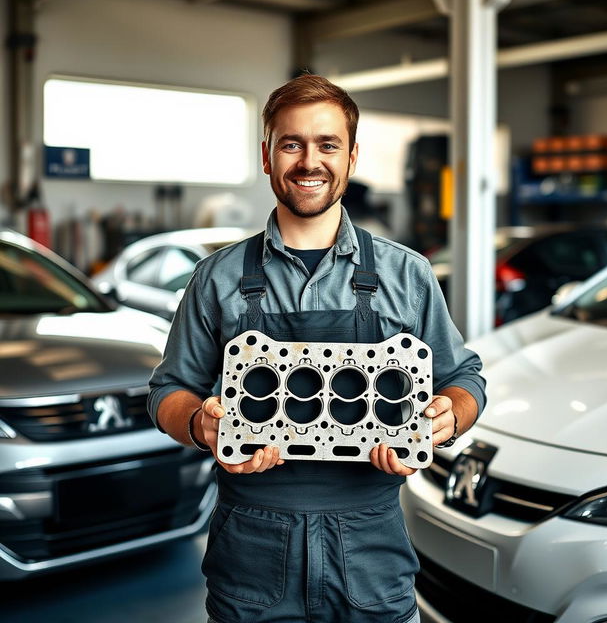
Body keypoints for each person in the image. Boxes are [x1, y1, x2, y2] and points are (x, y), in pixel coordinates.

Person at [148, 74, 486, 623]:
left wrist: (449, 415)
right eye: (291, 143)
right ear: (267, 156)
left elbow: (464, 377)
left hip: (369, 544)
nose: (310, 161)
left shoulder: (407, 274)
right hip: (252, 545)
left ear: (352, 156)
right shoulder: (216, 277)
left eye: (327, 144)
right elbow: (169, 390)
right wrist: (199, 424)